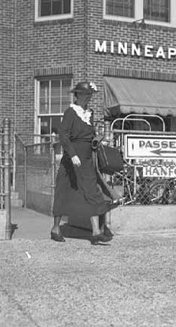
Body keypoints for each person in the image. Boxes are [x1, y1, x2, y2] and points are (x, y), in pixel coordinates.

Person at [51, 81, 117, 245]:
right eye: (86, 94)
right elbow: (63, 135)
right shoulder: (70, 113)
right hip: (72, 159)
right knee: (63, 191)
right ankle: (55, 228)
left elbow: (90, 134)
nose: (88, 97)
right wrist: (72, 154)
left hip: (87, 158)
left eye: (90, 95)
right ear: (77, 95)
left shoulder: (89, 113)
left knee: (92, 191)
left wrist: (99, 140)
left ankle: (95, 232)